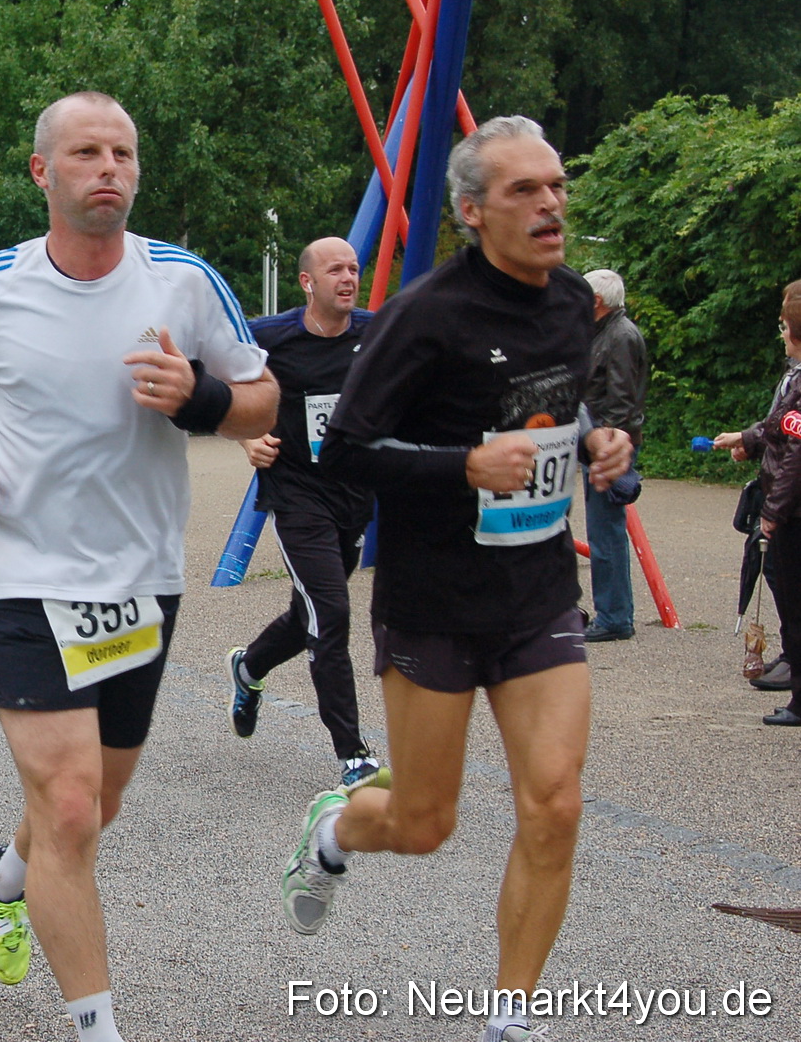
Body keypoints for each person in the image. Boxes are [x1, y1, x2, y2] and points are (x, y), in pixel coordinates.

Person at [0, 91, 276, 1042]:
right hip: (20, 565)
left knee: (91, 805)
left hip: (141, 575)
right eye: (86, 153)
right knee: (67, 804)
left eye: (123, 152)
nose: (109, 167)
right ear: (42, 173)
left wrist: (201, 397)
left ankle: (5, 874)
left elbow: (264, 401)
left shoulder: (183, 282)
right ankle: (96, 1026)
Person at [281, 116, 632, 1042]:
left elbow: (559, 399)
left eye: (555, 184)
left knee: (555, 800)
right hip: (434, 602)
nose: (550, 203)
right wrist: (463, 467)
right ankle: (334, 832)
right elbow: (346, 449)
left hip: (538, 595)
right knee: (424, 822)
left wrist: (594, 438)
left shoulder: (567, 302)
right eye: (525, 190)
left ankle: (511, 1015)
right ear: (474, 211)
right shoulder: (424, 315)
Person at [228, 237, 385, 789]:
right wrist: (245, 436)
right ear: (306, 282)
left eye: (353, 268)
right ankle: (354, 755)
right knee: (333, 613)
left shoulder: (375, 333)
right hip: (295, 495)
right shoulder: (270, 336)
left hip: (351, 496)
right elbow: (220, 382)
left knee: (310, 614)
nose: (348, 277)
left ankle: (248, 668)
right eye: (335, 269)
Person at [713, 290, 801, 725]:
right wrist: (745, 440)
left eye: (784, 326)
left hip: (794, 512)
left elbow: (796, 455)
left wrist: (772, 513)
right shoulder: (795, 376)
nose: (781, 334)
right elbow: (779, 425)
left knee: (791, 594)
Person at [578, 269, 647, 642]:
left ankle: (615, 615)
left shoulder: (618, 336)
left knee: (606, 532)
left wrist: (604, 445)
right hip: (604, 440)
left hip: (609, 443)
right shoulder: (609, 333)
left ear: (597, 302)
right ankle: (613, 612)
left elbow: (621, 398)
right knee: (604, 530)